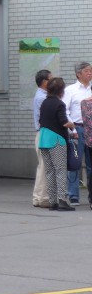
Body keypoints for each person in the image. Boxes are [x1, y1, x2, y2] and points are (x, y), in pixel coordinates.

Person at [39, 76, 76, 211]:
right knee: (60, 170)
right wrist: (72, 126)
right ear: (61, 90)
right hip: (56, 140)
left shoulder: (44, 102)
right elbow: (63, 122)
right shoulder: (59, 104)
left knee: (49, 171)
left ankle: (53, 201)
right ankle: (62, 200)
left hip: (43, 138)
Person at [62, 62, 92, 204]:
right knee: (75, 162)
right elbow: (65, 110)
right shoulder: (71, 90)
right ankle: (73, 194)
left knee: (90, 164)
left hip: (91, 129)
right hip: (77, 128)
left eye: (91, 71)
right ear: (78, 74)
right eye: (87, 71)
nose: (90, 73)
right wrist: (72, 128)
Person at [32, 69, 51, 208]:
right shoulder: (43, 98)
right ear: (44, 82)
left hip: (41, 133)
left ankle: (38, 197)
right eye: (51, 79)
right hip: (45, 133)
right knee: (45, 167)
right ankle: (43, 198)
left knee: (42, 167)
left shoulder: (41, 95)